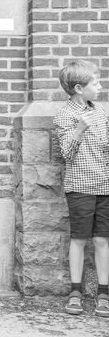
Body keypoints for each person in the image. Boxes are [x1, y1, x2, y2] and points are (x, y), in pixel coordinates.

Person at [54, 60, 109, 317]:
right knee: (78, 238)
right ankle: (75, 291)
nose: (100, 87)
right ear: (78, 88)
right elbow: (66, 153)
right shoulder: (65, 115)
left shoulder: (102, 112)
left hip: (104, 185)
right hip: (80, 186)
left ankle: (103, 294)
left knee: (101, 239)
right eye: (95, 83)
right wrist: (79, 129)